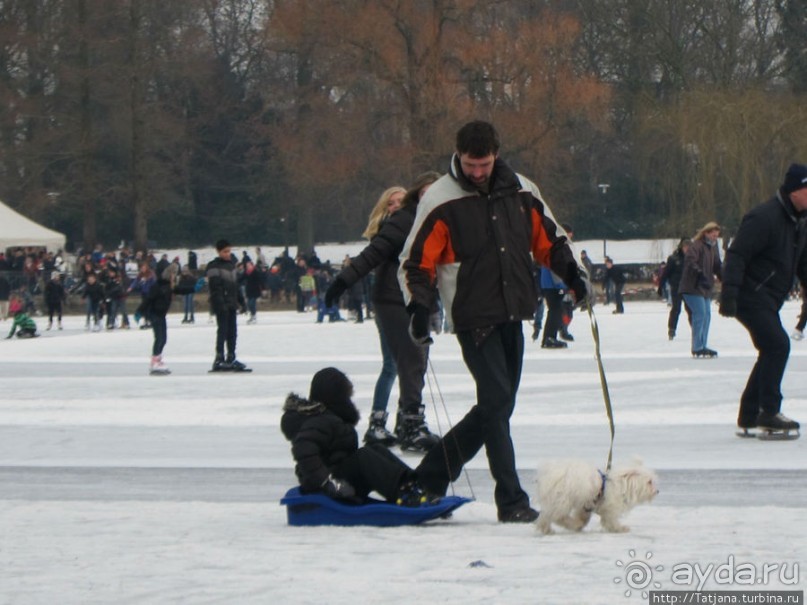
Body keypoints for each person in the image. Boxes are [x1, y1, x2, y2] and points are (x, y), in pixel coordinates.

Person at [399, 121, 591, 523]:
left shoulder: (521, 190)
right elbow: (416, 262)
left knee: (496, 406)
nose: (478, 172)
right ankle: (511, 500)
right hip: (473, 316)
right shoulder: (440, 199)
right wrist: (419, 306)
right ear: (459, 157)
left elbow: (550, 242)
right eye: (471, 165)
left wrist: (574, 277)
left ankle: (430, 477)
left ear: (496, 155)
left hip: (515, 310)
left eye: (484, 164)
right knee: (497, 404)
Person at [325, 177, 442, 452]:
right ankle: (409, 424)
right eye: (423, 194)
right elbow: (372, 254)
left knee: (415, 360)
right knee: (407, 359)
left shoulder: (440, 221)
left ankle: (406, 421)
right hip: (392, 299)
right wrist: (343, 281)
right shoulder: (403, 221)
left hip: (417, 300)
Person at [719, 163, 807, 433]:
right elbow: (737, 255)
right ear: (794, 191)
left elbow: (802, 262)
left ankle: (749, 415)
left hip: (768, 297)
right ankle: (769, 411)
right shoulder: (765, 217)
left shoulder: (798, 222)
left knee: (771, 349)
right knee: (778, 345)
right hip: (750, 295)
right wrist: (729, 295)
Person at [280, 367, 437, 506]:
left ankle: (412, 484)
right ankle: (405, 492)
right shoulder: (320, 421)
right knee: (364, 457)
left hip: (339, 478)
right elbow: (303, 449)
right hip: (330, 484)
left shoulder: (330, 417)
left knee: (375, 448)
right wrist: (327, 482)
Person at [679, 221, 722, 358]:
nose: (715, 238)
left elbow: (717, 266)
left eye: (717, 236)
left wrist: (725, 278)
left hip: (705, 287)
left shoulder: (713, 248)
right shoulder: (696, 246)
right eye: (713, 235)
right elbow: (690, 262)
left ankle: (702, 345)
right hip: (692, 286)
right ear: (706, 233)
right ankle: (697, 347)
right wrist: (700, 275)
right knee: (700, 314)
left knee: (707, 316)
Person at [206, 239, 249, 371]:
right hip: (221, 305)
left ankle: (231, 356)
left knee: (232, 332)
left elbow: (235, 287)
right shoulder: (213, 266)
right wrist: (220, 304)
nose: (228, 253)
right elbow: (215, 288)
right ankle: (219, 357)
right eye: (225, 251)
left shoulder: (231, 266)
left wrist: (242, 302)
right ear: (219, 252)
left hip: (231, 304)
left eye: (229, 251)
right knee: (223, 331)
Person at [138, 264, 176, 375]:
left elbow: (181, 290)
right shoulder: (159, 285)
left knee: (163, 338)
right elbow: (148, 299)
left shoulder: (169, 286)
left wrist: (194, 288)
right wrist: (140, 311)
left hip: (161, 314)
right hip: (154, 314)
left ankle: (157, 358)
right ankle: (154, 361)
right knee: (159, 337)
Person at [659, 238, 692, 340]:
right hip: (677, 287)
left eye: (689, 247)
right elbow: (666, 273)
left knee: (691, 309)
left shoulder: (693, 258)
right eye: (685, 247)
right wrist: (661, 286)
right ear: (682, 247)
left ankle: (695, 329)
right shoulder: (674, 258)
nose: (687, 249)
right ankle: (672, 329)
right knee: (676, 309)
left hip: (689, 288)